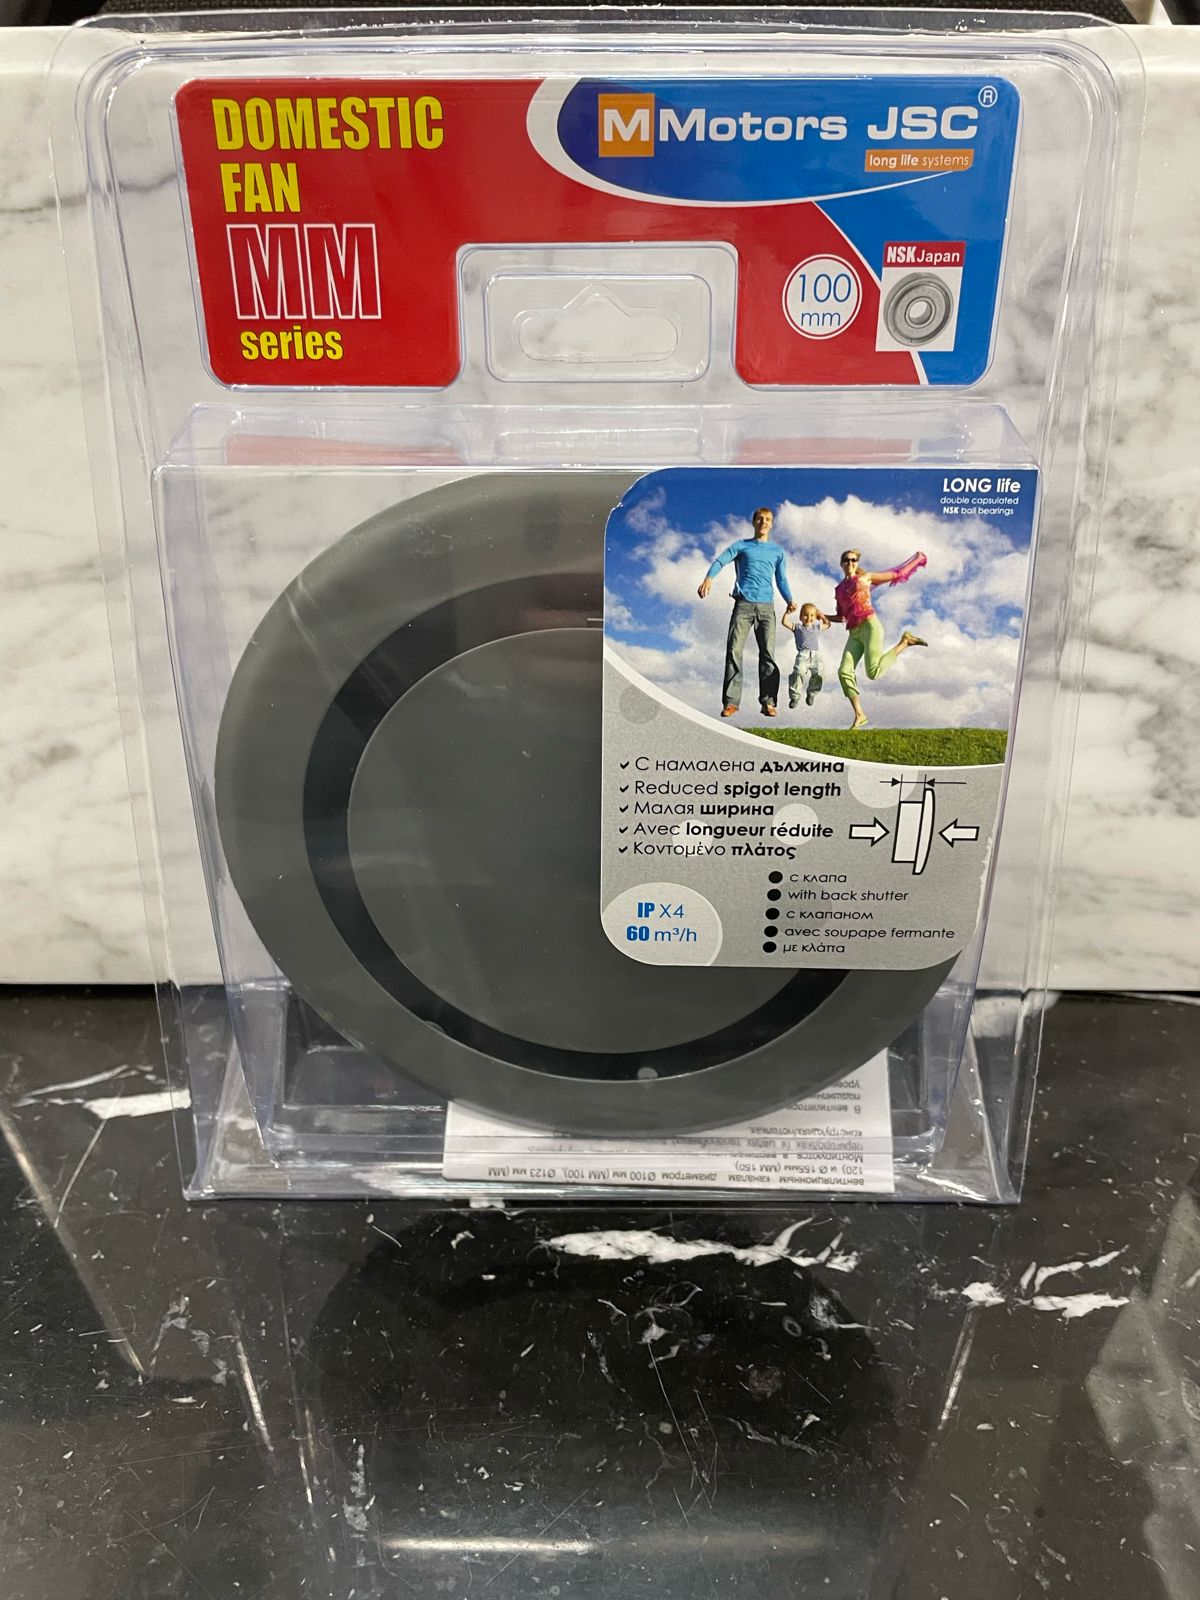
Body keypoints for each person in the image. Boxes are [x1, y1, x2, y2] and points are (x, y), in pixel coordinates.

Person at [697, 507, 795, 718]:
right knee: (734, 650)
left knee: (768, 654)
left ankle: (768, 702)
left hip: (767, 607)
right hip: (743, 605)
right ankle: (731, 702)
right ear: (754, 522)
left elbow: (781, 579)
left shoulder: (777, 552)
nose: (764, 522)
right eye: (760, 519)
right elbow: (721, 560)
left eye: (767, 519)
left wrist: (789, 600)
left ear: (771, 524)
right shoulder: (741, 545)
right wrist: (708, 578)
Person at [828, 548, 928, 729]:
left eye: (853, 560)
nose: (850, 563)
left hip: (870, 626)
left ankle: (904, 642)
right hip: (854, 633)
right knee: (844, 671)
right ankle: (860, 715)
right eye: (846, 560)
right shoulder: (839, 590)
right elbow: (841, 617)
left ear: (857, 563)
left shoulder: (866, 578)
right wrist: (822, 616)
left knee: (873, 673)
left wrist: (917, 560)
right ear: (841, 564)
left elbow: (897, 574)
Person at [782, 602, 830, 709]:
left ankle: (811, 694)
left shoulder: (816, 627)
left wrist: (821, 615)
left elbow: (828, 624)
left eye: (812, 615)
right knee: (798, 672)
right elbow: (784, 622)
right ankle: (795, 697)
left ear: (815, 617)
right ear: (800, 617)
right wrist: (787, 612)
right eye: (805, 615)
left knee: (819, 674)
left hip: (816, 655)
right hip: (803, 654)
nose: (808, 618)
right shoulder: (798, 627)